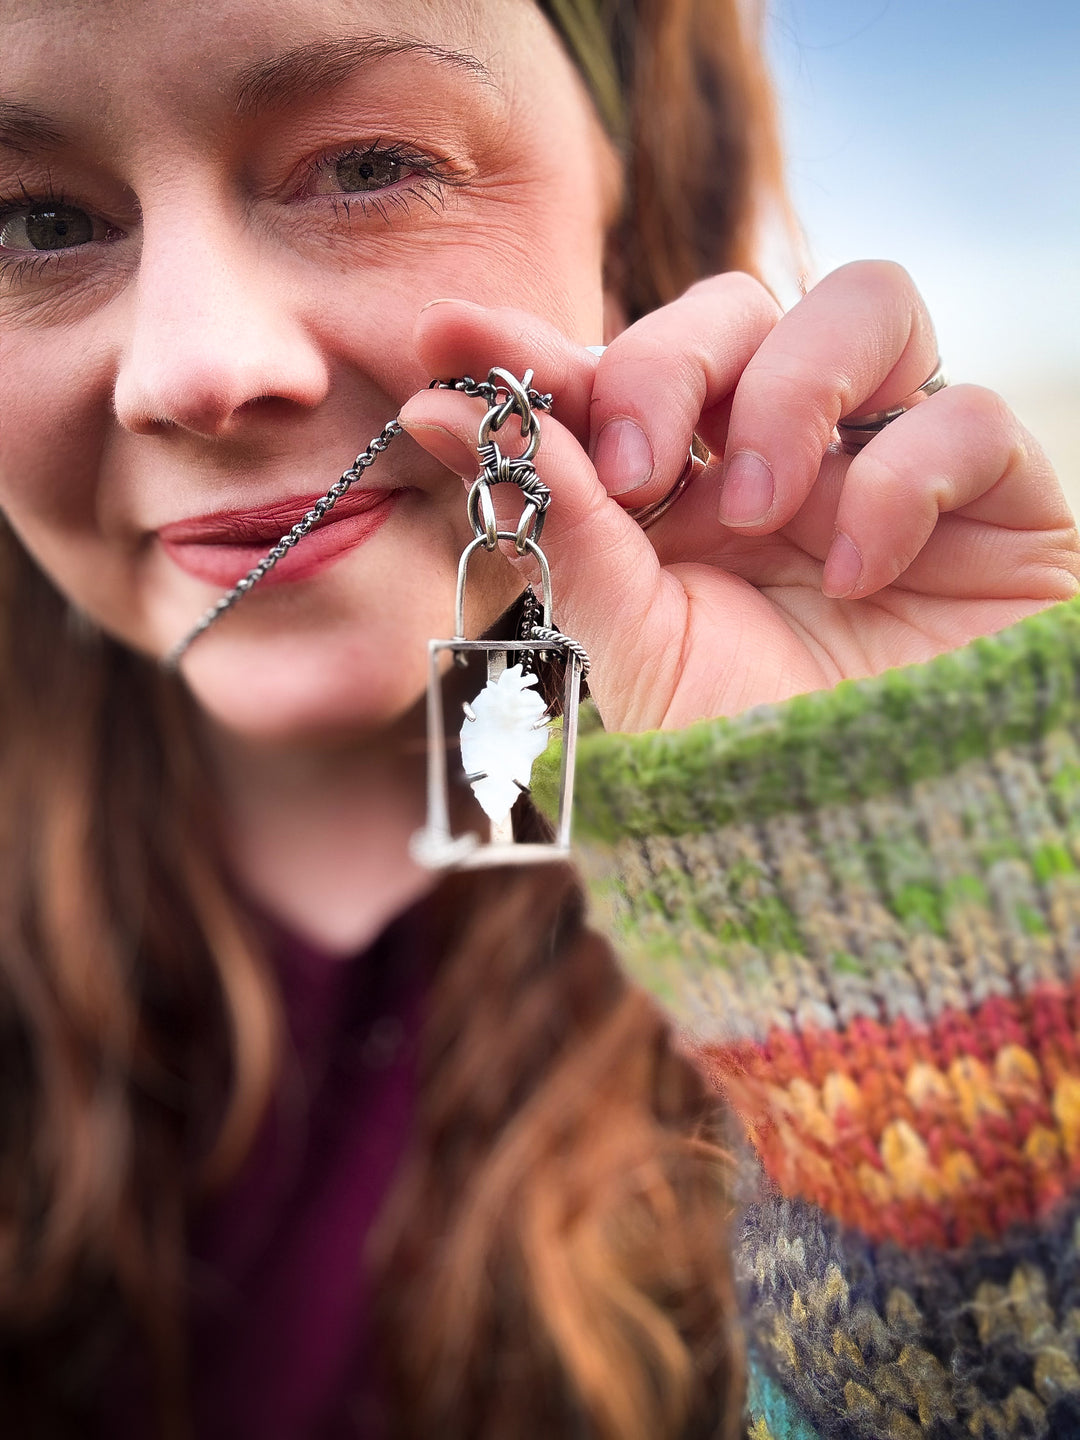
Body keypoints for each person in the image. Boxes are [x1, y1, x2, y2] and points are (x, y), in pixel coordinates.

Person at [0, 0, 1075, 1436]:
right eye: (33, 222)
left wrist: (916, 899)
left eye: (370, 163)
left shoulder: (948, 825)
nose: (197, 366)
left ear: (633, 179)